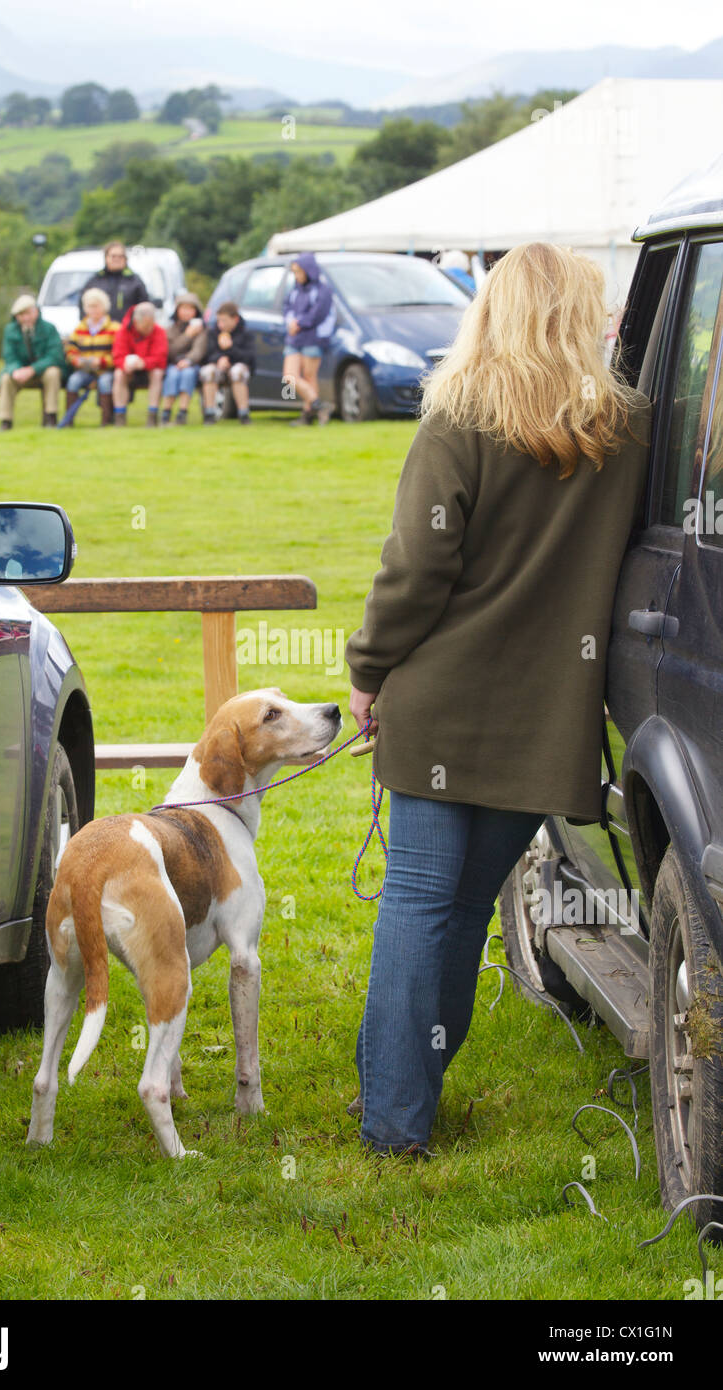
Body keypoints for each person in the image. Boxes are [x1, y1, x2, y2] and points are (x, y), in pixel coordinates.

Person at [344, 241, 652, 1156]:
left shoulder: (457, 419)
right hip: (547, 719)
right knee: (463, 909)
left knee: (418, 903)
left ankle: (397, 1120)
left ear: (494, 312)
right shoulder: (628, 432)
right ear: (579, 319)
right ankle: (410, 1099)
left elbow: (416, 570)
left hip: (441, 701)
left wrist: (366, 672)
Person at [0, 293, 66, 430]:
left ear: (36, 311)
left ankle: (50, 417)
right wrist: (15, 370)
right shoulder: (10, 331)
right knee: (6, 378)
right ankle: (6, 421)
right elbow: (9, 357)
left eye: (28, 313)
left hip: (43, 372)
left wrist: (33, 369)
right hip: (20, 373)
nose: (26, 318)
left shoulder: (49, 328)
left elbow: (55, 356)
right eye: (21, 315)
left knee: (53, 373)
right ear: (16, 317)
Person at [282, 253, 336, 425]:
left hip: (313, 338)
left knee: (309, 376)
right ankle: (319, 405)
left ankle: (307, 414)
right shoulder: (295, 289)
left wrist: (300, 323)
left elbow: (318, 313)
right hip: (294, 338)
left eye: (299, 272)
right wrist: (290, 322)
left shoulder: (322, 290)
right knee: (289, 377)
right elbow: (287, 308)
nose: (296, 276)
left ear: (308, 271)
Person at [64, 287, 119, 426]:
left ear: (104, 307)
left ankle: (106, 420)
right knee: (73, 381)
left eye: (96, 306)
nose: (93, 310)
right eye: (90, 306)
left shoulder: (115, 328)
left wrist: (101, 362)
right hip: (85, 370)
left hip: (106, 370)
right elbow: (70, 350)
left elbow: (118, 354)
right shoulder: (79, 329)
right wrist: (76, 361)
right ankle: (68, 420)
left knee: (105, 383)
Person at [111, 301, 168, 426]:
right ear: (136, 321)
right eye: (145, 326)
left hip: (149, 368)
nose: (149, 329)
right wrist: (125, 364)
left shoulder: (159, 331)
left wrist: (144, 363)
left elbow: (161, 358)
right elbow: (117, 356)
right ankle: (120, 416)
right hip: (129, 370)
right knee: (119, 374)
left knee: (157, 373)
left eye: (151, 324)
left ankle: (152, 415)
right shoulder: (123, 331)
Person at [199, 301, 256, 425]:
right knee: (209, 372)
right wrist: (219, 359)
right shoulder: (213, 332)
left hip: (238, 366)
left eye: (224, 321)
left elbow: (249, 358)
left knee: (238, 372)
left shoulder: (246, 333)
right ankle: (209, 413)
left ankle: (243, 414)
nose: (220, 324)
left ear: (235, 319)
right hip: (218, 367)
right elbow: (208, 354)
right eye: (219, 321)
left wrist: (230, 349)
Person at [161, 291, 207, 425]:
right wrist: (187, 336)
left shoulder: (201, 330)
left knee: (188, 374)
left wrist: (188, 361)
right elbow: (171, 351)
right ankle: (166, 411)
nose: (187, 312)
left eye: (190, 309)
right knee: (172, 375)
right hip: (173, 364)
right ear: (177, 310)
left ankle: (182, 412)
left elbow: (199, 350)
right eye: (184, 308)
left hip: (191, 365)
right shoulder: (170, 329)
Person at [80, 241, 150, 323]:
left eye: (120, 256)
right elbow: (83, 307)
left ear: (125, 259)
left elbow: (144, 308)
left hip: (127, 331)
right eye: (113, 256)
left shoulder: (134, 281)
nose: (117, 259)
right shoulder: (95, 281)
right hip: (101, 333)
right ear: (106, 258)